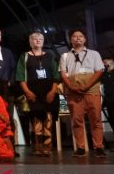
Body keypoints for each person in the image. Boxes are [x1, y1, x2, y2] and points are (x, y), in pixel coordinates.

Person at [60, 29, 106, 158]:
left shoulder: (94, 54)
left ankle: (98, 147)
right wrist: (71, 87)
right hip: (74, 91)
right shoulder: (65, 56)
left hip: (91, 90)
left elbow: (99, 71)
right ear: (71, 40)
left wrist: (87, 85)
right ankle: (80, 147)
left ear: (85, 39)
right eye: (74, 36)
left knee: (96, 119)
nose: (78, 38)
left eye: (80, 36)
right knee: (76, 120)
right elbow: (63, 73)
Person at [15, 32, 60, 156]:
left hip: (49, 92)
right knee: (36, 121)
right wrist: (27, 92)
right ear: (30, 42)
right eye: (35, 39)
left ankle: (48, 147)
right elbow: (20, 77)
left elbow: (56, 76)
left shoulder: (50, 56)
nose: (38, 41)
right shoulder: (24, 56)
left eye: (40, 39)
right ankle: (37, 147)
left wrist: (52, 91)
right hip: (33, 93)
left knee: (48, 120)